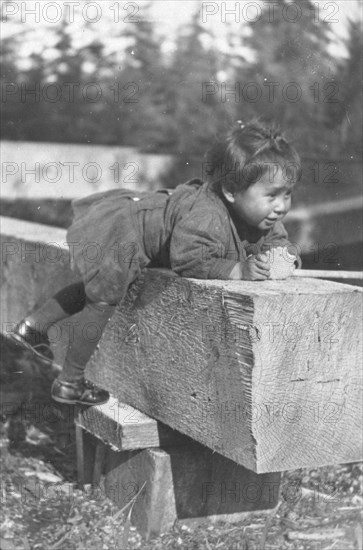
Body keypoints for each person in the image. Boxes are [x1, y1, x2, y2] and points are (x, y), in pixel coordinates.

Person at [8, 120, 301, 406]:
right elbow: (189, 260)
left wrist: (288, 257)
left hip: (137, 232)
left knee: (93, 290)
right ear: (231, 192)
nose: (281, 206)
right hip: (125, 232)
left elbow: (278, 242)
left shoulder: (263, 217)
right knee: (101, 301)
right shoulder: (206, 215)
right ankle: (70, 382)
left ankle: (32, 328)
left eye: (287, 194)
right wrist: (239, 270)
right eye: (272, 195)